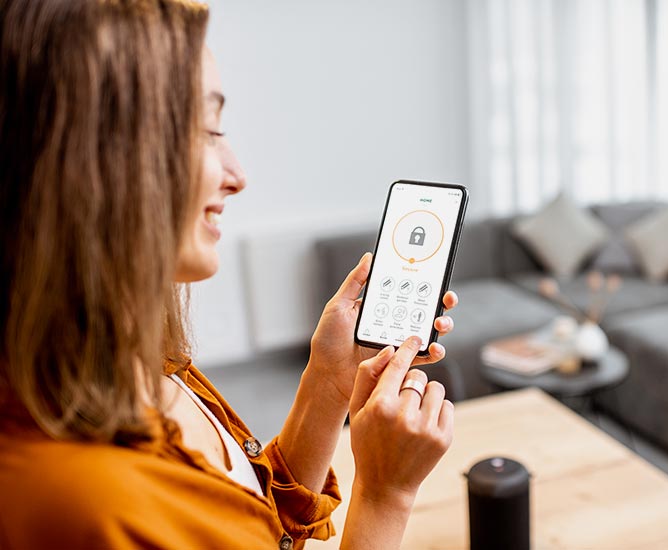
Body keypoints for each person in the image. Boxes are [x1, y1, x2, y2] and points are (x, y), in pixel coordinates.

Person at [0, 1, 459, 548]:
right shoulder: (98, 502)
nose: (238, 176)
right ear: (97, 162)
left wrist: (328, 381)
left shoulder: (141, 367)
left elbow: (252, 527)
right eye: (207, 132)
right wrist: (386, 494)